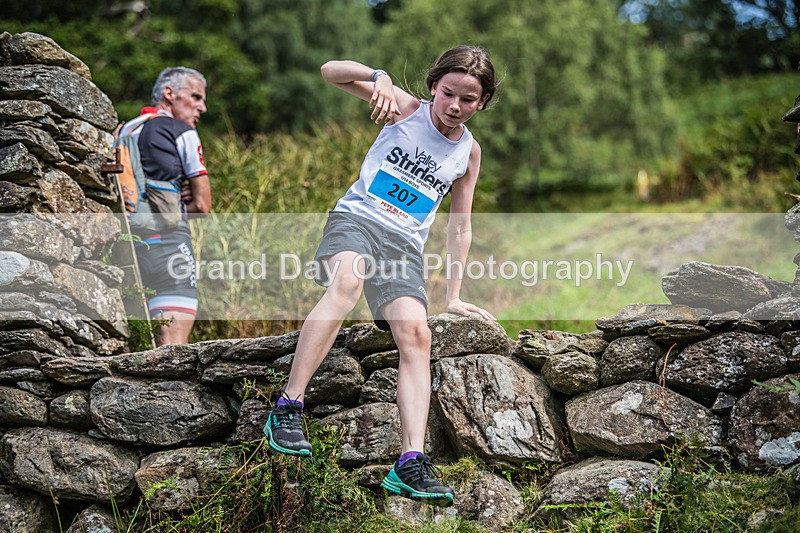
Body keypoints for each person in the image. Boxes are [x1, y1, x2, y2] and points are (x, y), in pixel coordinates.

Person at [263, 46, 498, 506]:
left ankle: (410, 462)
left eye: (467, 100)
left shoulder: (469, 153)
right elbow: (329, 70)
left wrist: (452, 296)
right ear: (434, 86)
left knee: (417, 335)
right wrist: (380, 76)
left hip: (404, 247)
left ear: (482, 102)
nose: (454, 106)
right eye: (448, 93)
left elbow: (460, 224)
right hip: (358, 221)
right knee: (348, 284)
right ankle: (288, 406)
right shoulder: (404, 107)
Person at [118, 67, 211, 346]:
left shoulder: (125, 129)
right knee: (172, 349)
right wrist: (185, 203)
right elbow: (203, 205)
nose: (202, 107)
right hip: (169, 243)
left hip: (126, 243)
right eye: (195, 97)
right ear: (169, 94)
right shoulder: (180, 130)